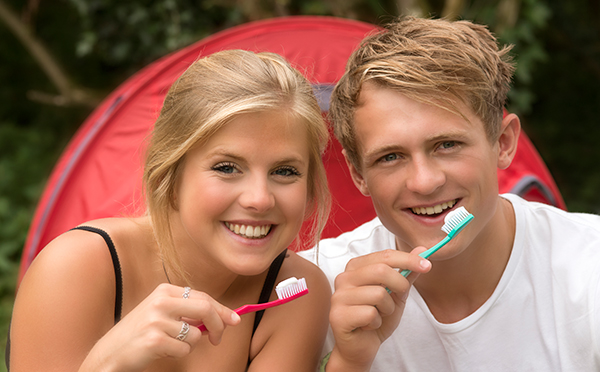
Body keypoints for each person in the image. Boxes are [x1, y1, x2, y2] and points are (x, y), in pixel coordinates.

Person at [299, 16, 600, 371]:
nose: (424, 182)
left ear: (503, 144)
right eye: (390, 157)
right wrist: (350, 361)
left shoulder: (588, 269)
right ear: (357, 174)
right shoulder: (319, 285)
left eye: (447, 144)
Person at [8, 49, 332, 371]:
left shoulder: (294, 292)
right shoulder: (77, 267)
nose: (260, 199)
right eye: (227, 167)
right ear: (170, 173)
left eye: (285, 171)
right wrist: (108, 364)